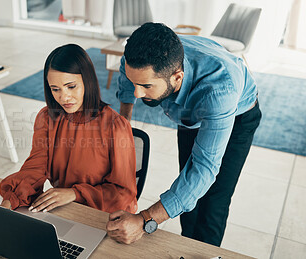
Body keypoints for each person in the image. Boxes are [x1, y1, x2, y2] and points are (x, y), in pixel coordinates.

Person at [106, 23, 262, 247]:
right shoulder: (142, 57)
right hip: (190, 111)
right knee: (188, 189)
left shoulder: (220, 91)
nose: (138, 94)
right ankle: (187, 244)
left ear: (177, 77)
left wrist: (144, 221)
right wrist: (124, 123)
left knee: (212, 202)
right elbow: (125, 70)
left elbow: (203, 169)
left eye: (146, 86)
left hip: (237, 115)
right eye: (135, 84)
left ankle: (204, 251)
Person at [0, 44, 137, 247]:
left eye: (71, 86)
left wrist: (75, 193)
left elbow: (124, 195)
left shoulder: (115, 126)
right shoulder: (46, 118)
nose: (63, 97)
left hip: (101, 221)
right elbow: (35, 168)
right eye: (55, 89)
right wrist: (6, 206)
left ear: (88, 80)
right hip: (64, 214)